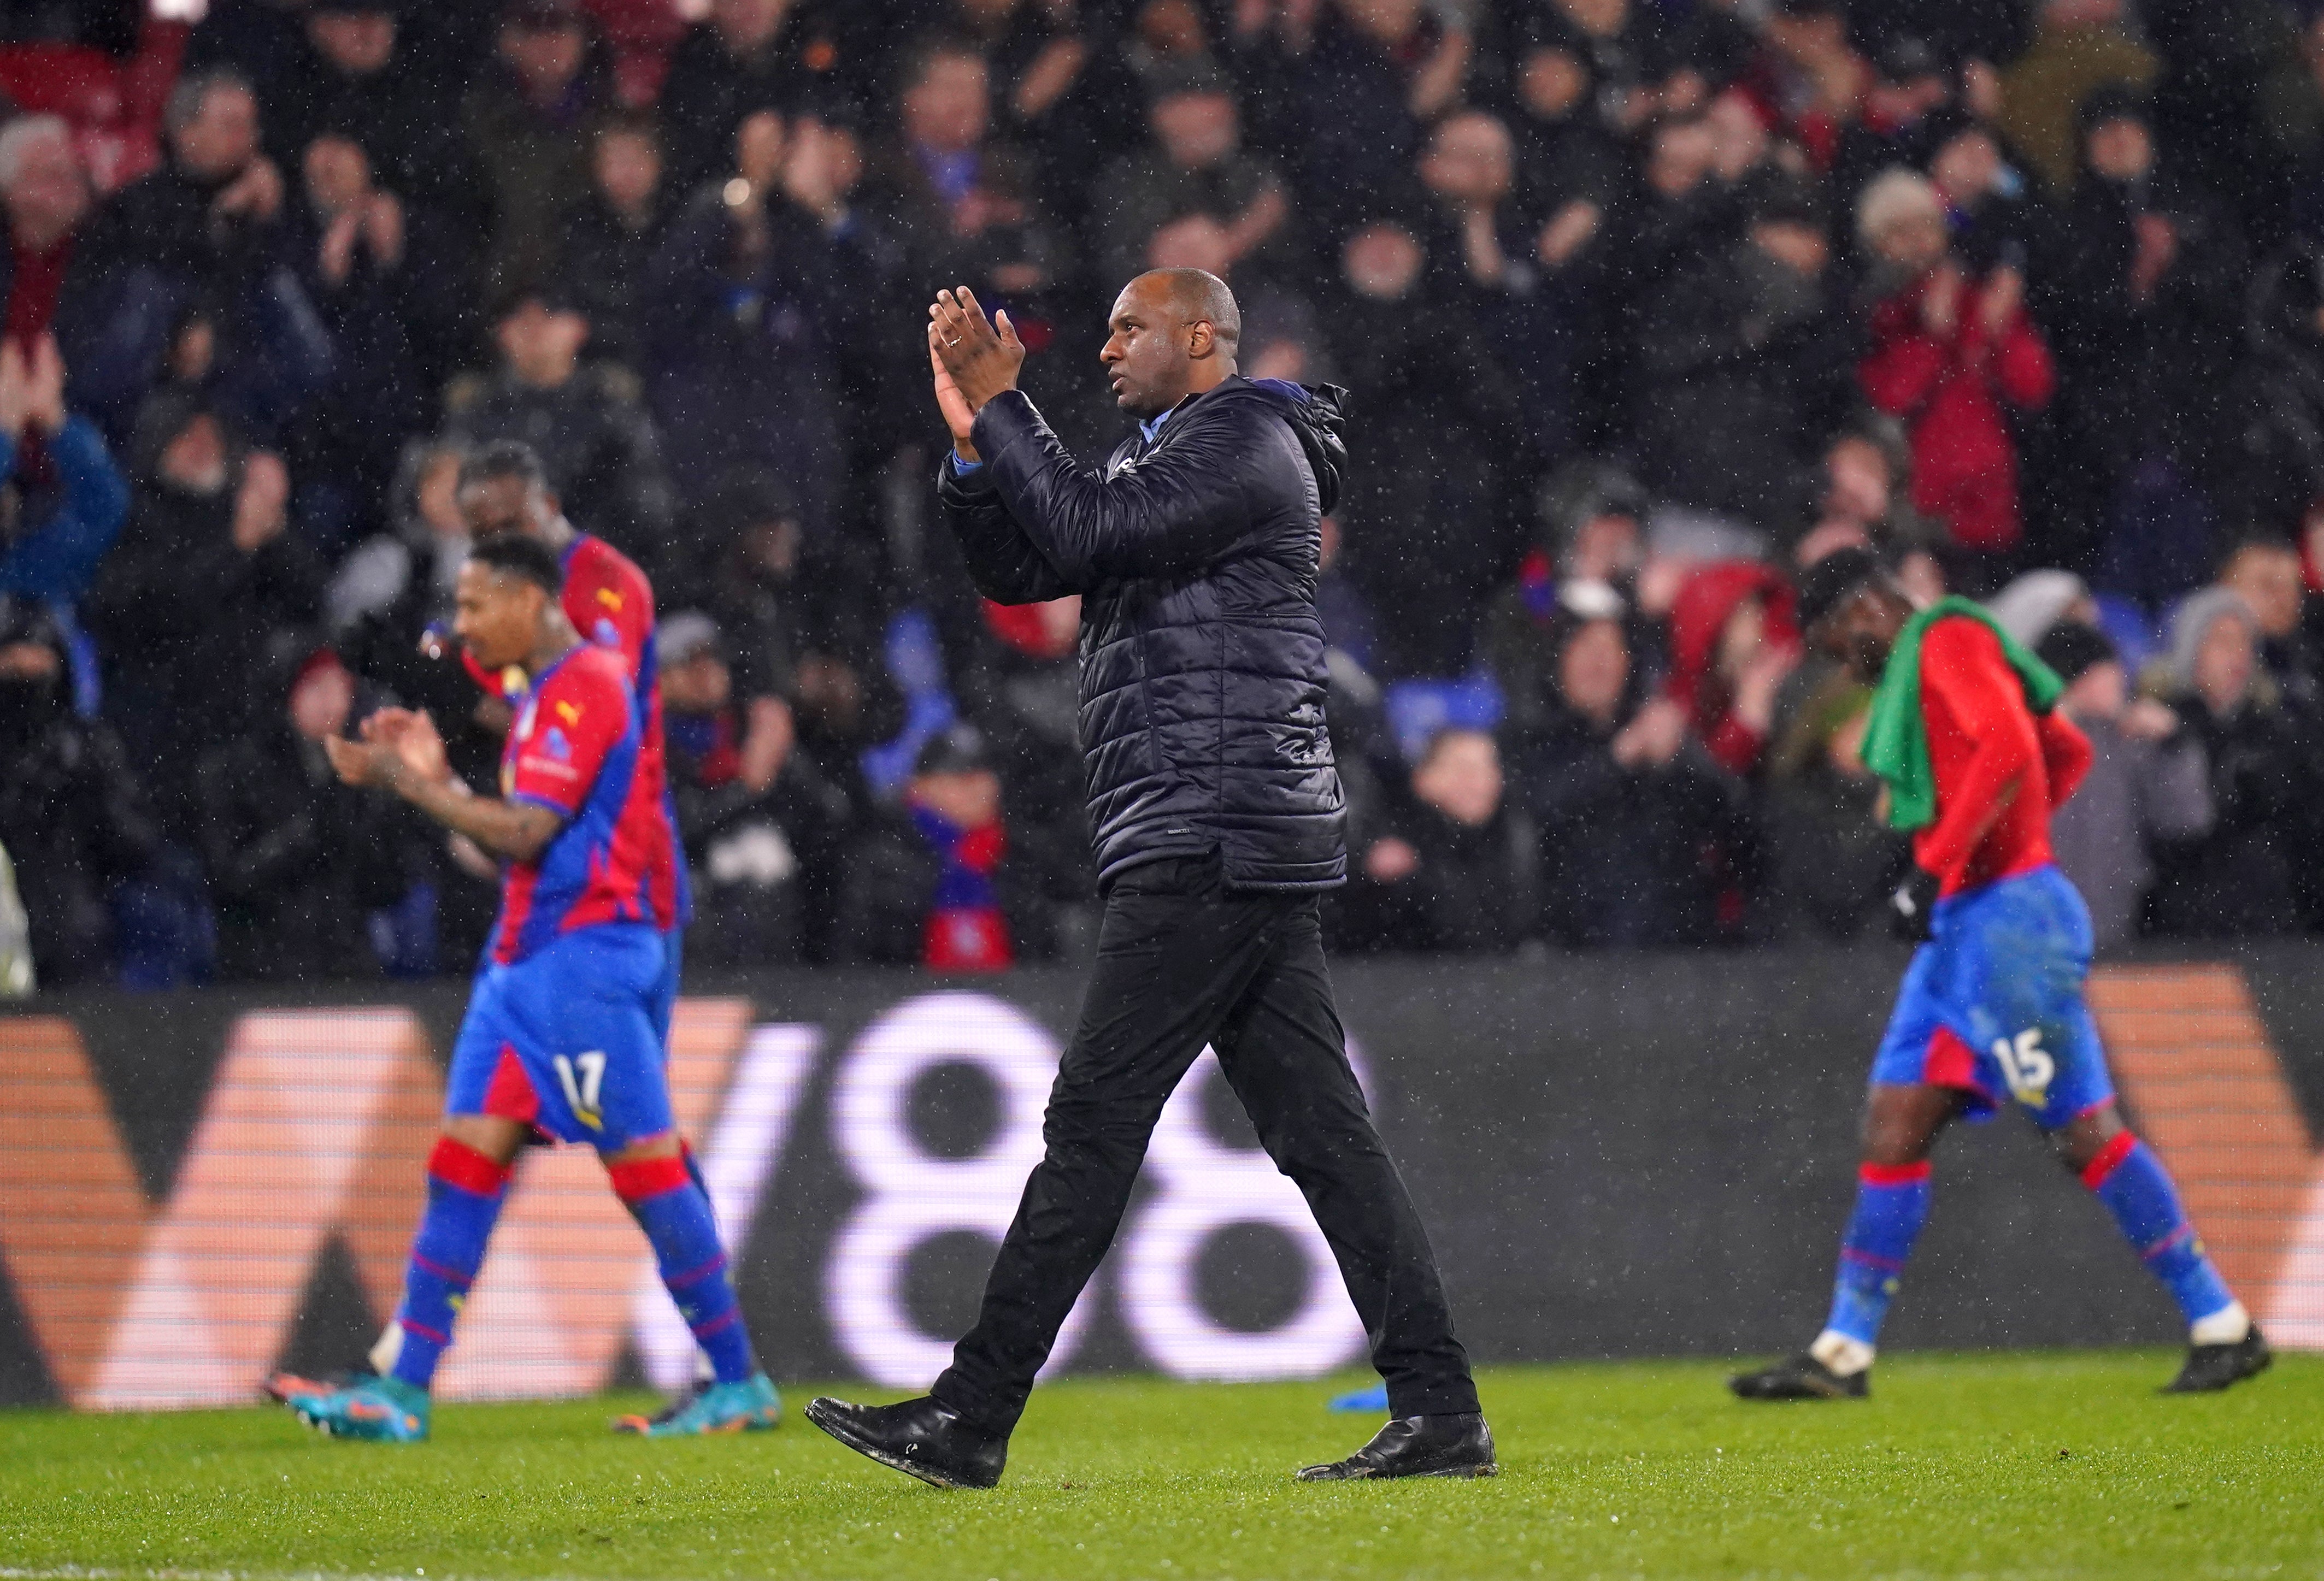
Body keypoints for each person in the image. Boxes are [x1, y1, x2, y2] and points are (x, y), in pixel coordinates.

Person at [804, 273, 1490, 1487]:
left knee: (1094, 1126)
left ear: (1200, 340)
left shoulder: (1247, 439)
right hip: (1216, 819)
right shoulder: (1167, 453)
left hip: (1211, 823)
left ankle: (973, 1414)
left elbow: (1079, 535)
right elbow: (1026, 570)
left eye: (1130, 327)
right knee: (1323, 1135)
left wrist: (1012, 407)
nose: (1108, 346)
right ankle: (1440, 1410)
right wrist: (976, 448)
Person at [264, 533, 778, 1440]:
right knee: (462, 1161)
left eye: (472, 606)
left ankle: (737, 1377)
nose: (458, 627)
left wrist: (410, 786)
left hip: (586, 958)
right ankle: (404, 1391)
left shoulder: (587, 686)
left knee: (646, 1168)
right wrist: (428, 772)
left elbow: (528, 831)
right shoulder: (541, 695)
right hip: (523, 960)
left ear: (530, 601)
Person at [1731, 547, 2270, 1402]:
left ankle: (2220, 1321)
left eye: (1837, 637)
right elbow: (2059, 746)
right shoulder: (1946, 653)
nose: (1842, 659)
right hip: (1968, 926)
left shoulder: (1943, 637)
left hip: (2007, 923)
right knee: (1894, 1121)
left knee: (2081, 1132)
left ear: (1865, 606)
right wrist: (2003, 842)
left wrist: (1946, 862)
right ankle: (1843, 1349)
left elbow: (2014, 744)